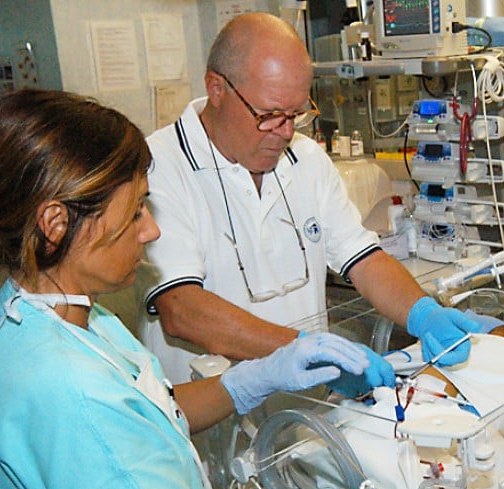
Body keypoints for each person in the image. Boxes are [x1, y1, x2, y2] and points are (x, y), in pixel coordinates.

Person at [0, 88, 492, 489]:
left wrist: (250, 381)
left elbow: (149, 409)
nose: (151, 231)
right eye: (134, 213)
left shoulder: (53, 315)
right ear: (55, 223)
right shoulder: (64, 385)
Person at [138, 11, 480, 387]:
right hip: (211, 424)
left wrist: (423, 314)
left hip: (307, 412)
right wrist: (305, 352)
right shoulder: (159, 166)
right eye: (269, 115)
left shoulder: (306, 159)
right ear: (217, 89)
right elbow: (182, 309)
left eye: (296, 114)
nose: (285, 132)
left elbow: (363, 259)